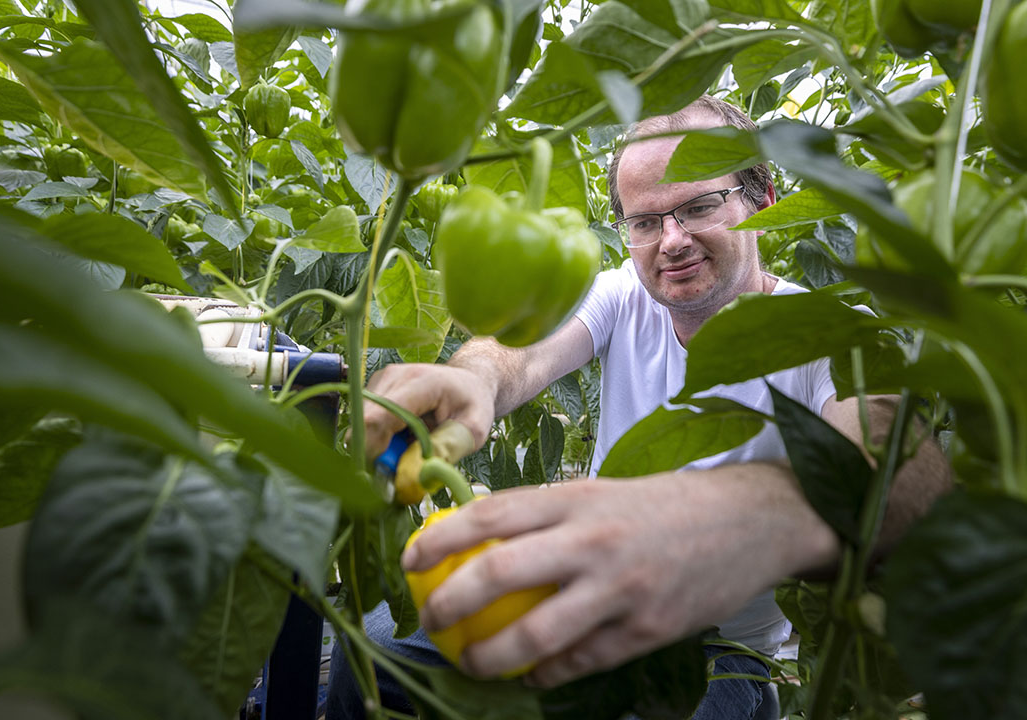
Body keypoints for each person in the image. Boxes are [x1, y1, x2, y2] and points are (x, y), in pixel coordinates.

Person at [326, 95, 952, 719]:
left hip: (722, 651)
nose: (671, 241)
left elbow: (899, 463)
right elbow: (523, 352)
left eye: (699, 206)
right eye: (645, 221)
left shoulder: (830, 331)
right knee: (373, 647)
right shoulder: (623, 298)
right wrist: (475, 378)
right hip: (583, 590)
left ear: (762, 202)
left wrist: (740, 510)